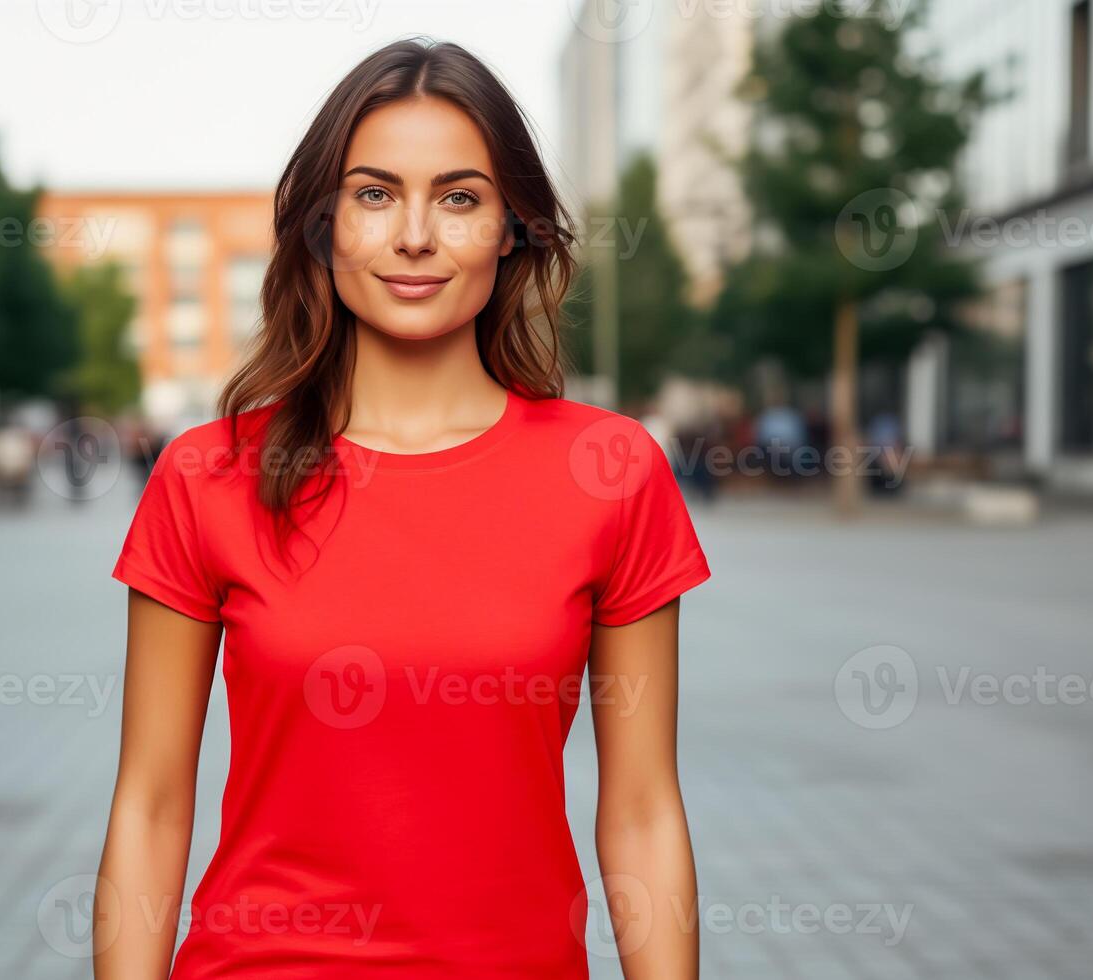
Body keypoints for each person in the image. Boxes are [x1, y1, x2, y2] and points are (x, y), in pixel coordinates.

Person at [99, 39, 712, 980]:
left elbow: (640, 810)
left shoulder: (612, 471)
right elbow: (149, 804)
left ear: (512, 228)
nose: (415, 234)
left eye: (460, 197)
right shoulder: (205, 476)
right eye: (375, 194)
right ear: (323, 224)